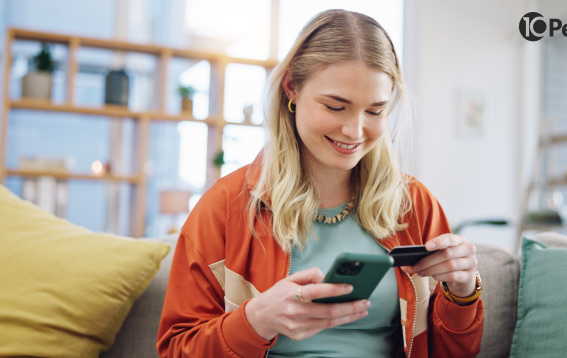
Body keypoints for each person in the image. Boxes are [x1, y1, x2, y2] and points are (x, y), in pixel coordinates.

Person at [157, 9, 483, 358]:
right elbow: (177, 349)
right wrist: (256, 320)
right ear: (291, 89)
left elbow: (454, 353)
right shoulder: (225, 207)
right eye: (335, 106)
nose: (355, 131)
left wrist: (461, 291)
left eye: (374, 111)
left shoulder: (414, 205)